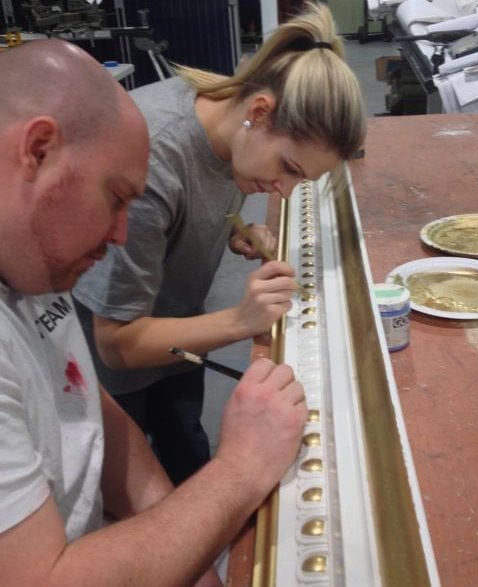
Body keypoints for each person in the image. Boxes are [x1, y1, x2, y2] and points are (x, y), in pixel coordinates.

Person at [0, 38, 307, 586]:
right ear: (38, 148)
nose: (121, 236)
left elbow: (90, 411)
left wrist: (191, 551)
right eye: (116, 198)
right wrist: (239, 471)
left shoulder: (30, 261)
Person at [73, 1, 367, 484]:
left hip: (177, 327)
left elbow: (206, 192)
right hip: (117, 369)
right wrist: (240, 320)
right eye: (290, 169)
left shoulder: (230, 124)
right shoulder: (154, 164)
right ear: (259, 111)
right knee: (140, 485)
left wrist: (237, 229)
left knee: (185, 442)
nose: (285, 190)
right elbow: (117, 345)